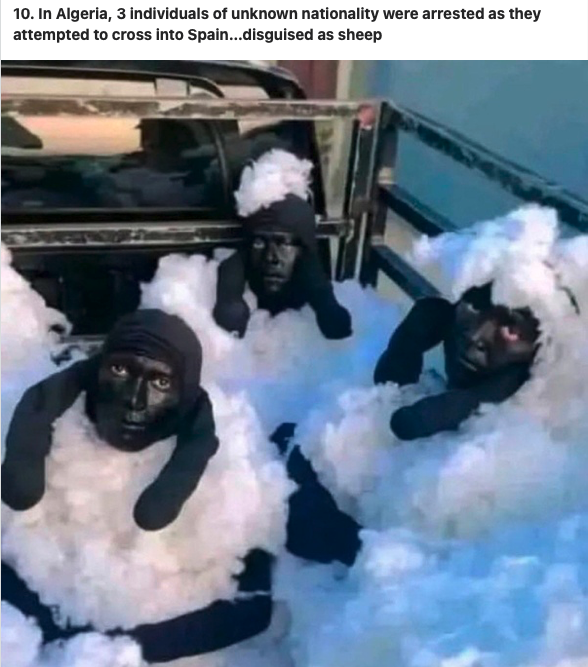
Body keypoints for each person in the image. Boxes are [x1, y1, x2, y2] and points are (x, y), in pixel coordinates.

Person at [2, 309, 281, 664]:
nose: (134, 399)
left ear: (185, 397)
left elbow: (251, 606)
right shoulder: (30, 434)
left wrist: (120, 647)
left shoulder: (232, 469)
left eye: (160, 383)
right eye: (120, 370)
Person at [213, 149, 353, 340]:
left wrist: (326, 305)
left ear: (302, 250)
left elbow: (331, 315)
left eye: (283, 244)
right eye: (259, 243)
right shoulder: (237, 266)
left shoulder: (308, 269)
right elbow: (229, 311)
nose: (272, 258)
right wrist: (230, 301)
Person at [374, 282, 541, 440]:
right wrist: (403, 349)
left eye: (512, 329)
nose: (475, 337)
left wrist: (454, 408)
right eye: (477, 304)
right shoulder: (443, 317)